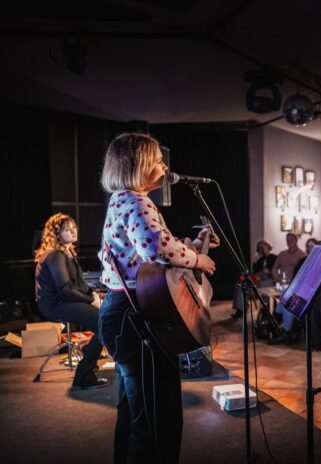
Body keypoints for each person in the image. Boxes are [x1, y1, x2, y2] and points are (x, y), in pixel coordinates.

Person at [97, 132, 218, 463]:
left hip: (123, 313)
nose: (165, 167)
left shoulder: (122, 200)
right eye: (158, 160)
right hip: (136, 316)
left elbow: (151, 251)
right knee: (156, 418)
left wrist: (193, 246)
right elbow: (156, 249)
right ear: (139, 165)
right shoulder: (137, 202)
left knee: (137, 413)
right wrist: (198, 260)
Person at [34, 213, 108, 390]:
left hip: (65, 300)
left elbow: (80, 283)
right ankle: (84, 375)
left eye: (74, 227)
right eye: (67, 229)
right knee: (104, 323)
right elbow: (65, 289)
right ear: (56, 233)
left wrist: (94, 296)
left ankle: (88, 351)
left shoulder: (68, 253)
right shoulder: (55, 255)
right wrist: (91, 300)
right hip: (55, 304)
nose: (73, 231)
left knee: (105, 321)